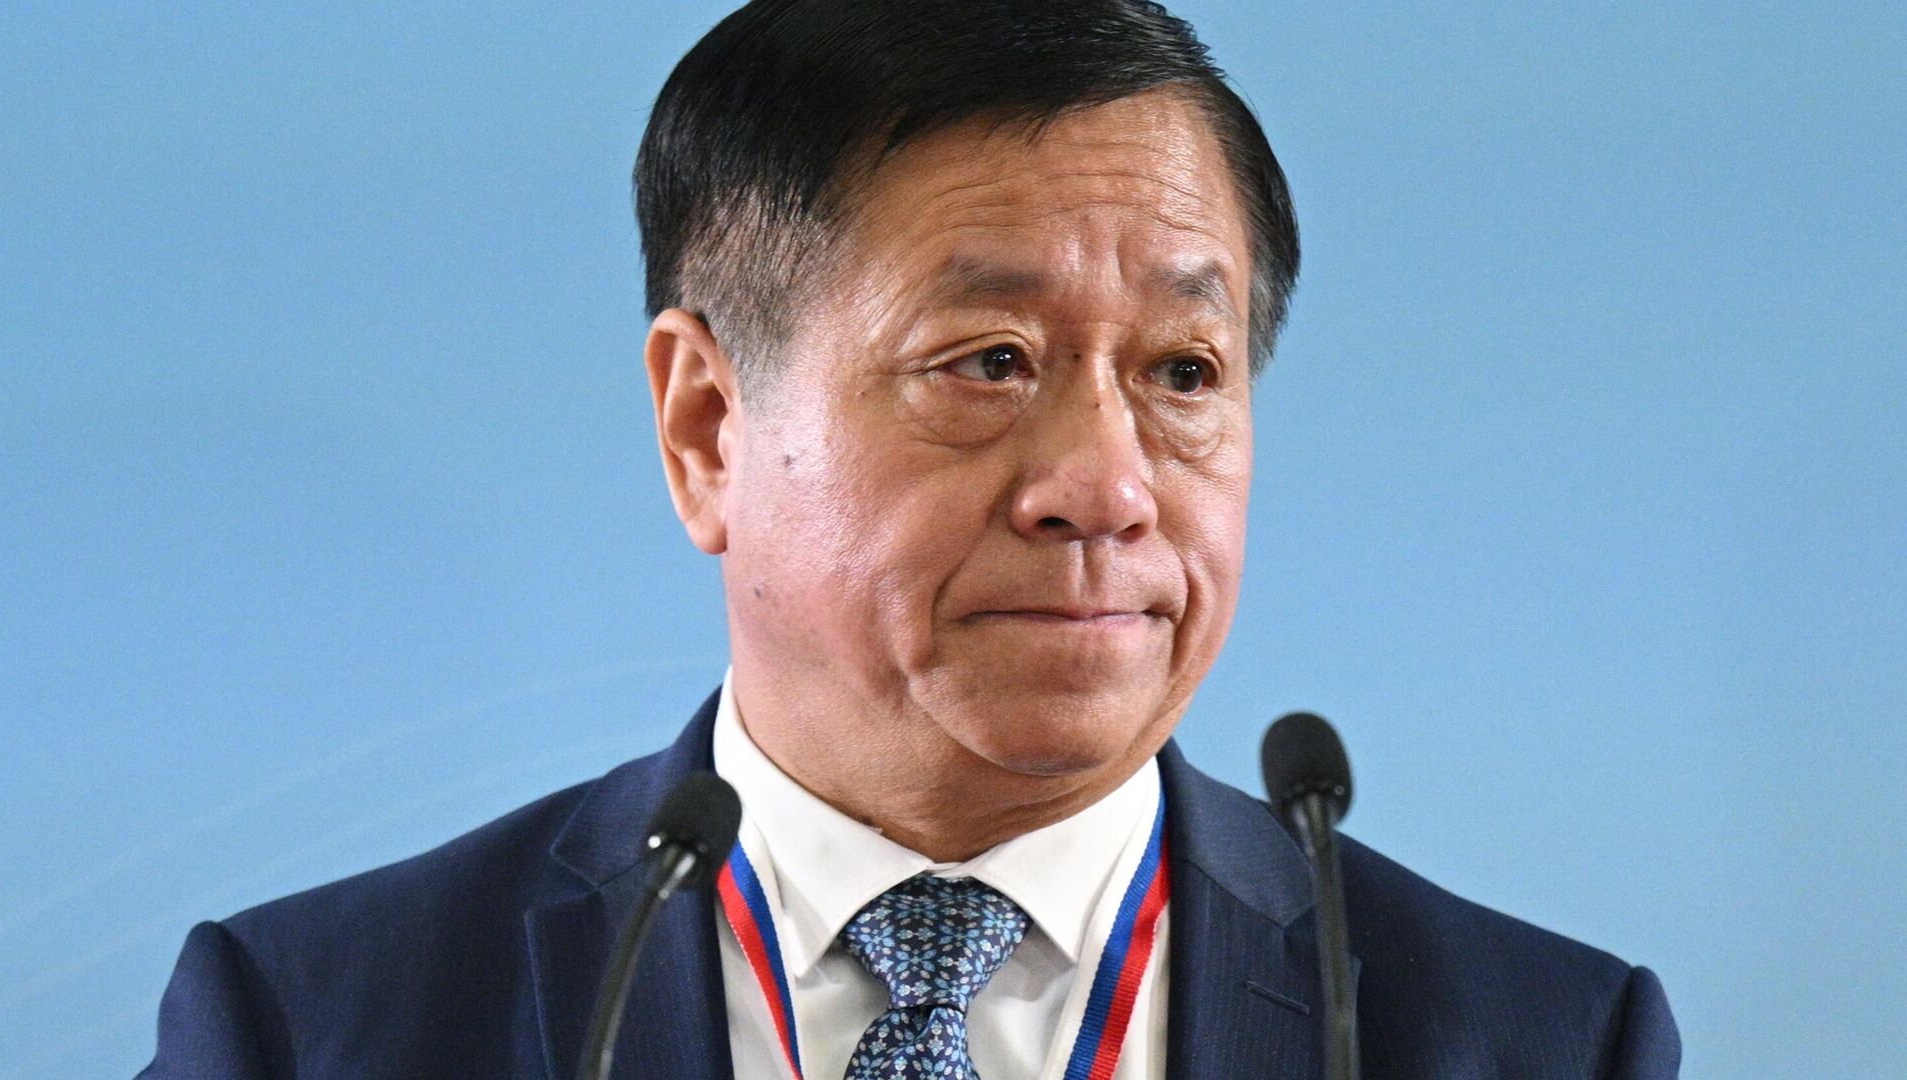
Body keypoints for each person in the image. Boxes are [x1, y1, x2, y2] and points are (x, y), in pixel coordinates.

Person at [138, 2, 1681, 1077]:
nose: (1106, 488)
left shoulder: (1538, 1041)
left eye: (1182, 373)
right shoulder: (314, 1028)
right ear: (708, 428)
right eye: (989, 361)